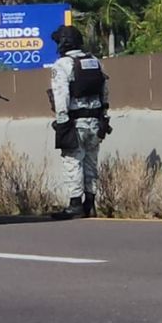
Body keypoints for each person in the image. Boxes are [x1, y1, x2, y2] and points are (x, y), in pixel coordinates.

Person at [49, 25, 111, 220]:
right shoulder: (95, 62)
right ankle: (90, 203)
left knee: (73, 161)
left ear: (63, 43)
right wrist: (103, 115)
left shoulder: (62, 65)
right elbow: (105, 91)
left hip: (74, 122)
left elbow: (61, 96)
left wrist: (62, 122)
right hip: (96, 120)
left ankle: (75, 204)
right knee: (91, 161)